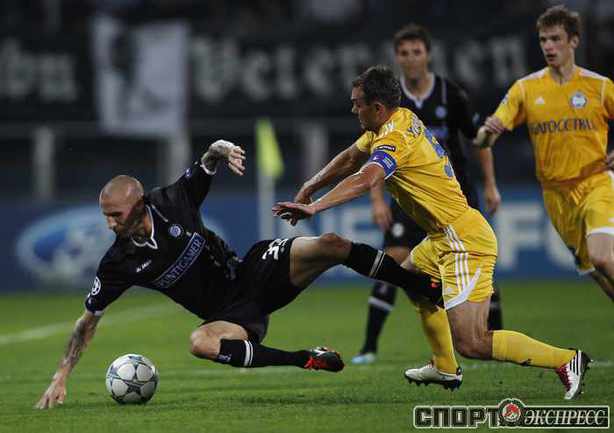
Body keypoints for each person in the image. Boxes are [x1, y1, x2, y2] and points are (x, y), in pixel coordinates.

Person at [35, 139, 438, 409]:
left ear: (139, 205)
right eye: (105, 216)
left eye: (115, 215)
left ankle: (423, 285)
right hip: (230, 316)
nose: (110, 224)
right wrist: (60, 376)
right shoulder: (118, 262)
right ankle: (305, 359)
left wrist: (220, 148)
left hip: (253, 272)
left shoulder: (172, 201)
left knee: (331, 243)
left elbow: (207, 162)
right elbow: (88, 320)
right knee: (199, 343)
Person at [274, 65, 589, 400]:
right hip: (441, 237)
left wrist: (316, 207)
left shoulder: (395, 137)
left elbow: (367, 178)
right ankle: (445, 366)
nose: (353, 109)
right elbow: (351, 158)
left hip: (463, 241)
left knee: (473, 341)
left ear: (377, 107)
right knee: (411, 281)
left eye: (357, 103)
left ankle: (566, 359)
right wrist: (310, 185)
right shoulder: (394, 120)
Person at [352, 23, 504, 366]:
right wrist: (376, 200)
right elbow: (373, 156)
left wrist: (490, 184)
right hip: (409, 197)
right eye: (404, 53)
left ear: (428, 55)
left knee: (479, 269)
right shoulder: (389, 101)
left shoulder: (451, 94)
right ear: (397, 57)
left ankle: (490, 340)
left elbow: (477, 140)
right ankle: (369, 347)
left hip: (453, 194)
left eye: (416, 52)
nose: (410, 59)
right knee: (394, 263)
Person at [475, 5, 614, 301]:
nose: (549, 46)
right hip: (555, 195)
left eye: (555, 39)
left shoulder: (599, 87)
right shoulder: (526, 89)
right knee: (596, 273)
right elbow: (484, 139)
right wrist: (487, 131)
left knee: (603, 258)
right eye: (543, 40)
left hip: (596, 183)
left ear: (573, 41)